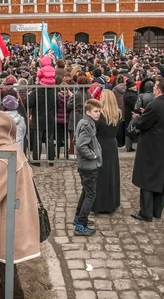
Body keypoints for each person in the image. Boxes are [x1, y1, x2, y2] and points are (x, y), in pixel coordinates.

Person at [0, 110, 40, 298]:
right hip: (16, 215)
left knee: (5, 266)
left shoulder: (2, 159)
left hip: (6, 220)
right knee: (7, 266)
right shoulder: (12, 148)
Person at [131, 79, 164, 222]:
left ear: (158, 90)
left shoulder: (154, 105)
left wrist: (137, 118)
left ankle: (146, 213)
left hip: (151, 149)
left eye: (155, 87)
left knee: (147, 181)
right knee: (162, 180)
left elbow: (142, 124)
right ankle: (156, 211)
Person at [73, 99, 103, 236]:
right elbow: (80, 145)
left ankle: (78, 217)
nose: (99, 114)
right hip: (88, 166)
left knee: (86, 192)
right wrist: (93, 155)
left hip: (85, 165)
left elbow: (76, 139)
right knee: (90, 194)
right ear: (88, 112)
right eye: (96, 111)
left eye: (99, 111)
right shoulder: (87, 125)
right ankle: (81, 224)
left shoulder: (84, 122)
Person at [91, 90, 121, 214]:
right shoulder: (118, 113)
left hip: (100, 144)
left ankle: (99, 203)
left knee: (100, 174)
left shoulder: (100, 115)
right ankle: (111, 201)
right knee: (111, 173)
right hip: (112, 144)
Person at [26, 55, 57, 164]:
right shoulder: (54, 90)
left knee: (37, 139)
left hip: (38, 117)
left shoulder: (37, 90)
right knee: (49, 139)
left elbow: (29, 103)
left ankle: (36, 160)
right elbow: (57, 102)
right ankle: (51, 160)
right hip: (50, 117)